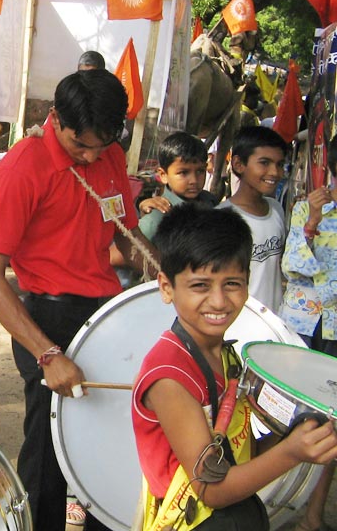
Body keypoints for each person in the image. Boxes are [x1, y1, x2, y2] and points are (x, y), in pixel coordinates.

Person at [0, 69, 158, 531]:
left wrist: (159, 268)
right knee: (48, 455)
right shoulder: (24, 166)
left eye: (102, 145)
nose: (93, 155)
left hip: (104, 315)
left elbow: (126, 234)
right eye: (82, 145)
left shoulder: (111, 154)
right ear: (56, 118)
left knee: (113, 439)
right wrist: (47, 354)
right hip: (47, 318)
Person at [133, 203, 337, 531]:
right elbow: (211, 489)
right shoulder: (171, 375)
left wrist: (298, 431)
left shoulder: (224, 354)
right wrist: (293, 451)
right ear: (167, 287)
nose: (219, 301)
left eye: (232, 283)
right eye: (200, 285)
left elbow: (240, 452)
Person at [279, 134, 337, 531]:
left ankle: (312, 516)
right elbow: (291, 267)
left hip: (333, 330)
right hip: (301, 326)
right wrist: (313, 223)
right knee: (287, 415)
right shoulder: (305, 209)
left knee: (331, 423)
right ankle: (272, 502)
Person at [217, 125, 288, 313]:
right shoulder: (222, 218)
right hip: (240, 322)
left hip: (274, 320)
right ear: (239, 164)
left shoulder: (276, 210)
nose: (274, 172)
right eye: (264, 163)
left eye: (279, 164)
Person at [137, 131, 218, 242]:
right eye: (183, 173)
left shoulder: (210, 203)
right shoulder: (156, 220)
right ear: (163, 175)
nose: (194, 180)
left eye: (200, 171)